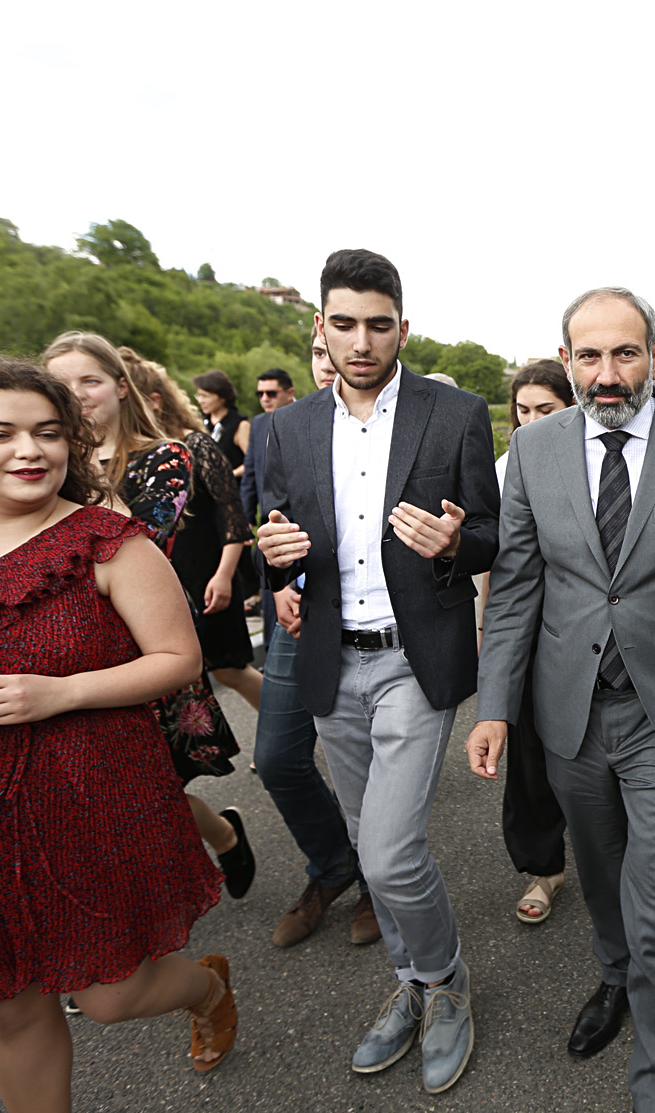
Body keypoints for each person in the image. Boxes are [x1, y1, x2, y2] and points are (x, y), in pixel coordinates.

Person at [0, 353, 237, 1110]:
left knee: (110, 995)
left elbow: (178, 659)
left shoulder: (112, 540)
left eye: (47, 432)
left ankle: (206, 989)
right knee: (9, 1005)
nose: (29, 450)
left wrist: (61, 693)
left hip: (96, 790)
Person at [466, 286, 655, 1113]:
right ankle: (614, 975)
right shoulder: (533, 449)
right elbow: (516, 590)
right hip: (568, 712)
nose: (607, 373)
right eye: (590, 355)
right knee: (600, 873)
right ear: (567, 360)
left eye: (625, 353)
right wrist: (494, 707)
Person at [256, 248, 498, 1093]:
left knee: (392, 857)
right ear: (320, 327)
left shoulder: (455, 413)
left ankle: (448, 979)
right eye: (345, 324)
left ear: (404, 328)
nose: (361, 341)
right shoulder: (283, 428)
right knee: (367, 845)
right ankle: (411, 980)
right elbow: (280, 537)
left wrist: (455, 544)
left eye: (379, 324)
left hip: (413, 658)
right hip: (332, 658)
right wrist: (278, 563)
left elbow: (492, 535)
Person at [43, 332, 253, 901]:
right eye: (61, 384)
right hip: (63, 649)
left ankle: (217, 840)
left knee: (153, 786)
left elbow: (134, 540)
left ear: (120, 386)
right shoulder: (39, 459)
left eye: (89, 380)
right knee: (99, 794)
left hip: (140, 645)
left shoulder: (165, 456)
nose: (76, 394)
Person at [252, 329, 380, 949]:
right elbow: (266, 521)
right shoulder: (280, 427)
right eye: (317, 352)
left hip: (364, 619)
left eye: (337, 351)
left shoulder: (386, 424)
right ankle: (333, 866)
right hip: (297, 618)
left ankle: (378, 882)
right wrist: (277, 582)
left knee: (370, 768)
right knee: (277, 758)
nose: (329, 363)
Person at [474, 359, 577, 922]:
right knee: (531, 753)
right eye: (523, 411)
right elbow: (498, 561)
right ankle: (546, 867)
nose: (533, 422)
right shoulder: (505, 467)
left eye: (547, 409)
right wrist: (489, 630)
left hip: (587, 627)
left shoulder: (598, 458)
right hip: (528, 628)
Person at [121, 350, 265, 714]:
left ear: (154, 401)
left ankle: (287, 733)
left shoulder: (196, 444)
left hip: (206, 573)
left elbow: (233, 518)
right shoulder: (129, 455)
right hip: (161, 577)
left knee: (229, 669)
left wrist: (224, 576)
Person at [238, 368, 297, 614]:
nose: (265, 399)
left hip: (299, 521)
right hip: (268, 521)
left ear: (289, 393)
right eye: (260, 393)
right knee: (272, 593)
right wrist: (245, 518)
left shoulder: (304, 416)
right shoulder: (259, 423)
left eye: (271, 393)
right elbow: (250, 472)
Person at [191, 369, 250, 478]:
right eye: (199, 396)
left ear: (222, 397)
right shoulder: (199, 421)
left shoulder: (240, 424)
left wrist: (230, 475)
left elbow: (253, 460)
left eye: (205, 396)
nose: (200, 401)